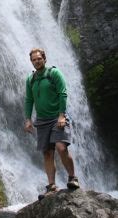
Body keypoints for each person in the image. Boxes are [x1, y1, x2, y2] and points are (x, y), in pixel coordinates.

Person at [24, 47, 80, 196]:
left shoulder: (54, 73)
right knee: (47, 153)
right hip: (41, 120)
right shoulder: (30, 79)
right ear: (31, 62)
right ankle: (51, 186)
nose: (36, 61)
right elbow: (29, 100)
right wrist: (28, 119)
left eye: (39, 58)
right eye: (34, 60)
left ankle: (72, 178)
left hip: (57, 117)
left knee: (61, 147)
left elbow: (62, 93)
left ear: (44, 59)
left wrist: (62, 115)